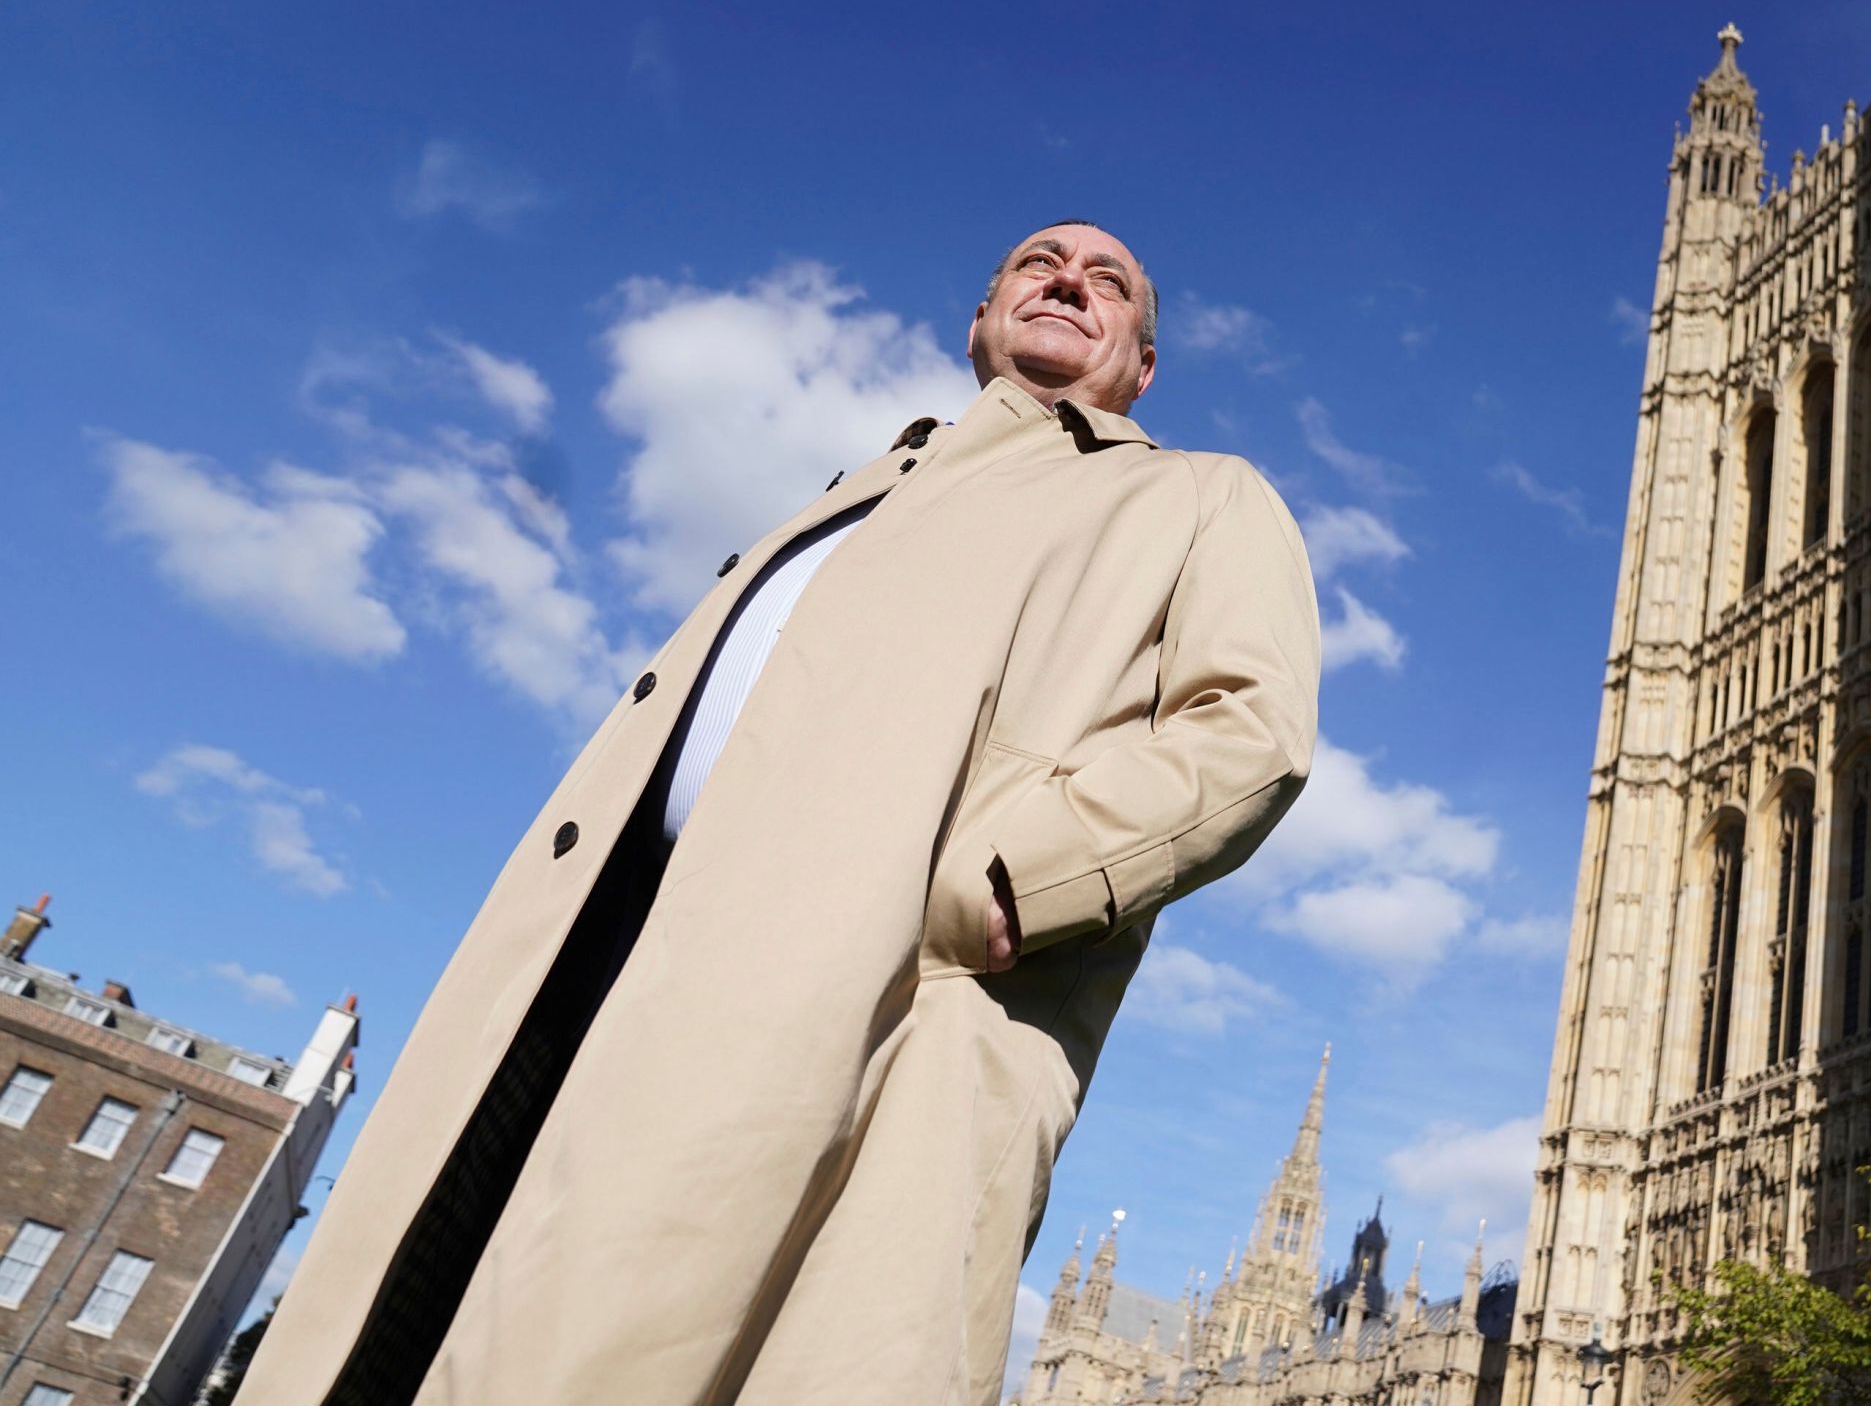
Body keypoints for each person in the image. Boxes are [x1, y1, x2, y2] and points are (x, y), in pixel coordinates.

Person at [239, 221, 1322, 1405]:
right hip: (604, 948)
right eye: (1034, 264)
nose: (1067, 278)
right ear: (977, 320)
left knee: (654, 1332)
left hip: (876, 994)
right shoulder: (869, 489)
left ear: (1143, 364)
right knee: (423, 1295)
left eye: (1107, 282)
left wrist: (1020, 878)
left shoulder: (1195, 494)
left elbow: (1249, 731)